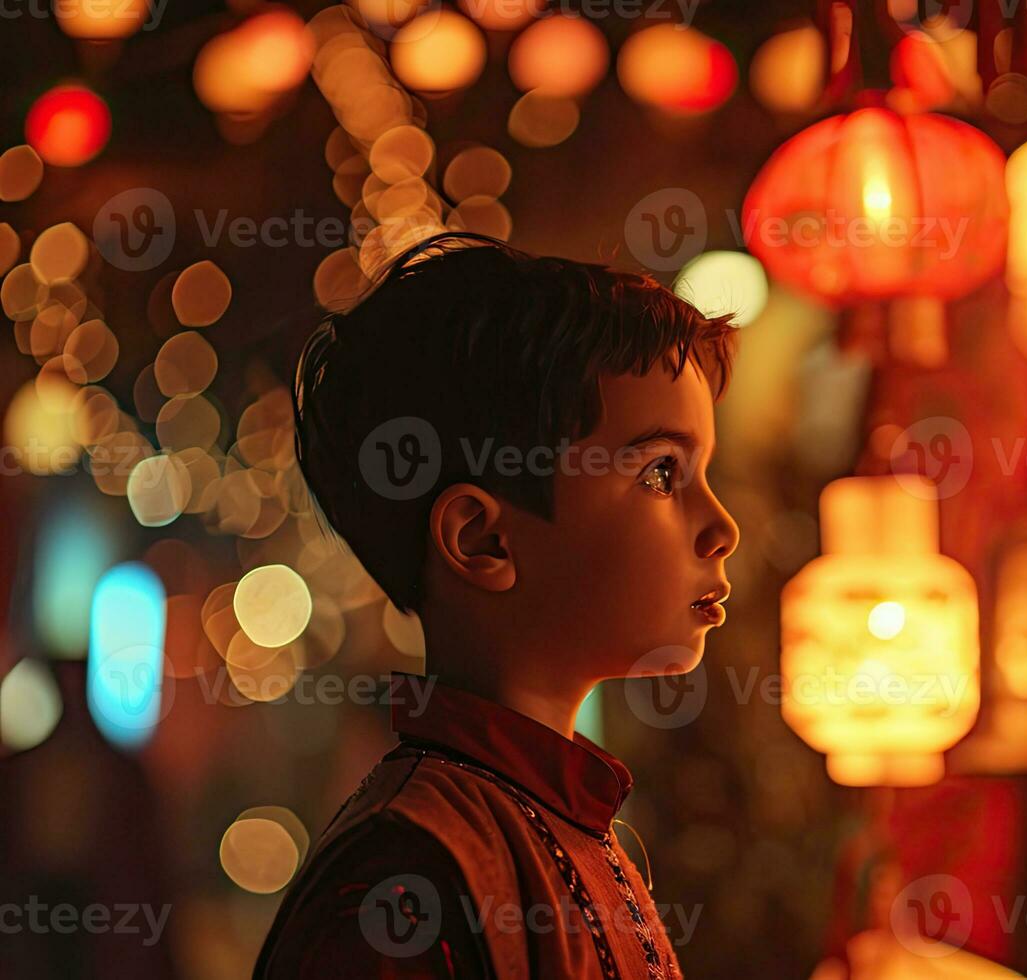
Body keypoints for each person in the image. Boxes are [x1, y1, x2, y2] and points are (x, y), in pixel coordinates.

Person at [254, 233, 740, 979]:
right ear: (483, 540)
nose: (722, 527)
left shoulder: (568, 822)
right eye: (660, 474)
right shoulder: (410, 875)